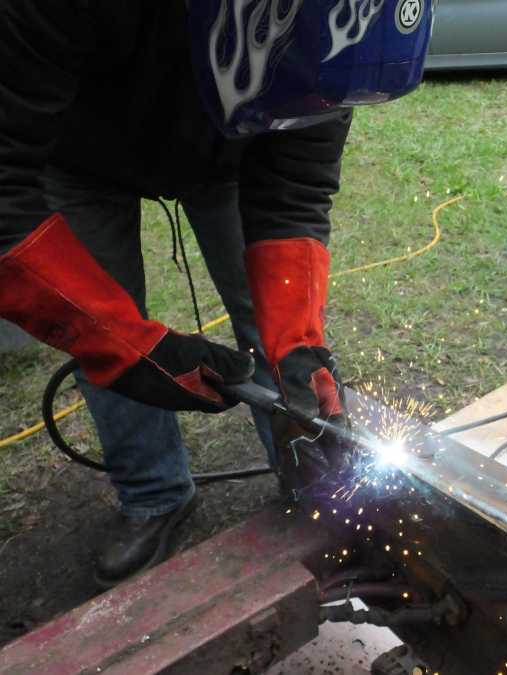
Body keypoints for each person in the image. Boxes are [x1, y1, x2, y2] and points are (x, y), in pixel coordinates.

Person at [0, 0, 433, 587]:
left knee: (274, 332)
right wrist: (121, 346)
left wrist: (298, 341)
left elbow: (293, 192)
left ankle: (315, 489)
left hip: (238, 145)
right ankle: (153, 495)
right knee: (106, 334)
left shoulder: (341, 37)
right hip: (80, 154)